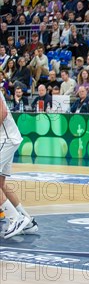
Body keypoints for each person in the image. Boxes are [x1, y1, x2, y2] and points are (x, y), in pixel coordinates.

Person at [0, 92, 36, 238]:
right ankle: (27, 222)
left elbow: (2, 112)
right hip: (9, 138)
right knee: (1, 183)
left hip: (5, 138)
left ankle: (15, 218)